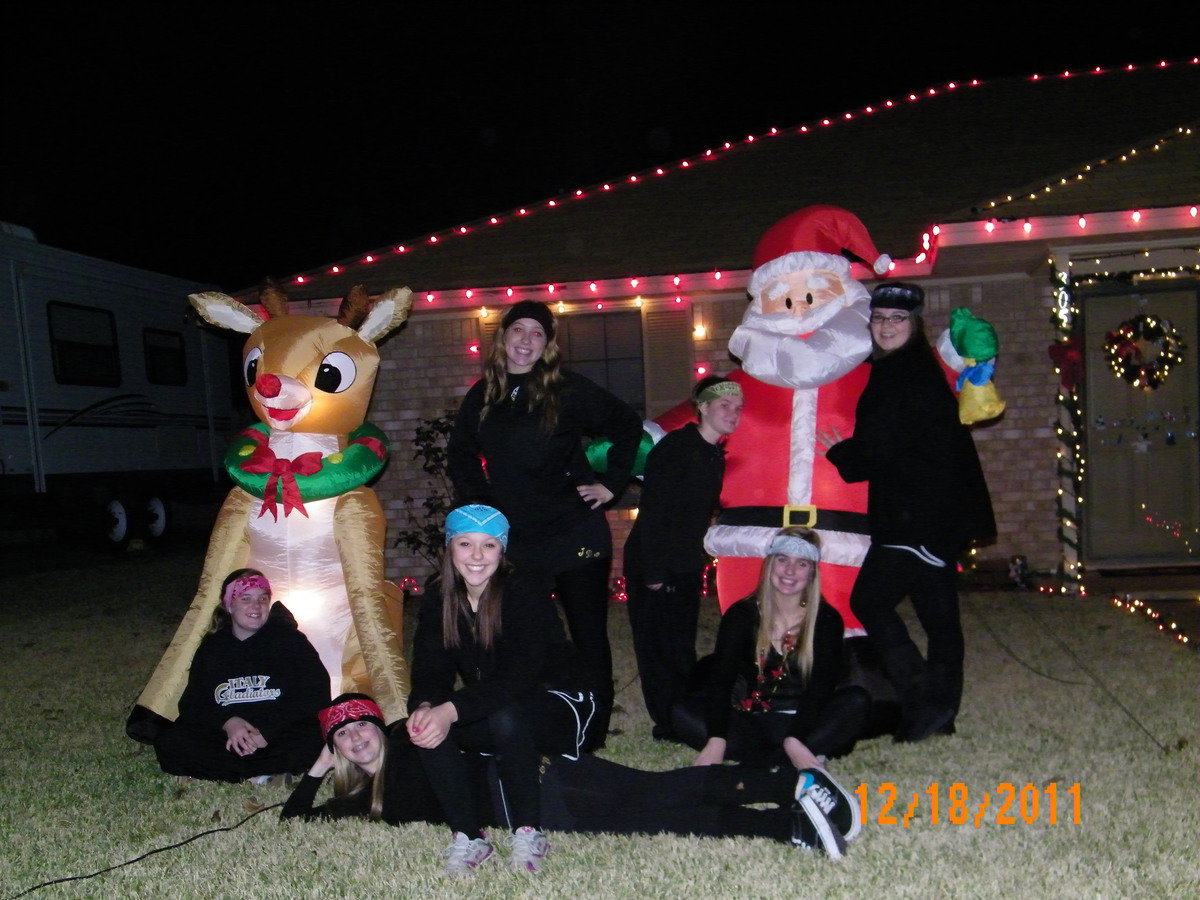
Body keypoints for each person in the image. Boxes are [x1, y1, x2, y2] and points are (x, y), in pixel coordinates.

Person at [283, 693, 857, 862]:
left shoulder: (417, 736)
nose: (356, 738)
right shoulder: (362, 799)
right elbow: (293, 821)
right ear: (337, 750)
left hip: (537, 783)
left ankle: (793, 786)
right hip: (537, 817)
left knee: (663, 790)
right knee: (662, 822)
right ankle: (790, 830)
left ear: (378, 726)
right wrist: (315, 768)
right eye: (343, 737)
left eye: (361, 726)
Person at [447, 300, 644, 744]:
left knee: (588, 633)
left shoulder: (567, 389)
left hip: (574, 530)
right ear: (504, 337)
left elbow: (627, 424)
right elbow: (460, 454)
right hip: (516, 537)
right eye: (519, 330)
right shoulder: (484, 394)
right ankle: (540, 715)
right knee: (526, 634)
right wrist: (483, 506)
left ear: (548, 343)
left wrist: (612, 484)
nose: (527, 341)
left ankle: (591, 732)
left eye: (538, 334)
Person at [822, 282, 996, 742]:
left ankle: (924, 700)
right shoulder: (909, 369)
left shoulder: (902, 373)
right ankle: (938, 711)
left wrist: (841, 454)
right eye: (879, 318)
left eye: (897, 319)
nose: (886, 326)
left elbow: (882, 446)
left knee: (870, 601)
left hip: (913, 516)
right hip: (933, 514)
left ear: (914, 324)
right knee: (939, 617)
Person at [405, 504, 600, 873]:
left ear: (502, 550)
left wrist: (452, 710)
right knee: (424, 724)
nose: (476, 556)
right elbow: (431, 666)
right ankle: (468, 837)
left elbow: (518, 677)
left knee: (503, 714)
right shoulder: (439, 595)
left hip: (560, 705)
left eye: (489, 545)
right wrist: (427, 705)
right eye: (465, 544)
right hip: (495, 706)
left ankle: (529, 832)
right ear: (450, 548)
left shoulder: (524, 590)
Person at [686, 528, 888, 825]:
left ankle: (775, 758)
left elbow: (821, 688)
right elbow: (721, 679)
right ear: (769, 565)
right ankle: (794, 763)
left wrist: (795, 739)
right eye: (782, 560)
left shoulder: (826, 620)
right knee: (681, 711)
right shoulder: (742, 615)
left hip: (805, 722)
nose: (790, 571)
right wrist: (716, 739)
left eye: (802, 563)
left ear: (812, 573)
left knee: (856, 702)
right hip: (753, 721)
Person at [624, 375, 743, 741]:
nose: (733, 414)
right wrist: (655, 571)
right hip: (655, 560)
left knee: (680, 645)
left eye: (738, 408)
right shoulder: (676, 448)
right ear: (703, 407)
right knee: (658, 648)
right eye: (724, 405)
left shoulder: (712, 455)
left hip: (686, 563)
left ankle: (684, 716)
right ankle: (667, 722)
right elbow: (656, 511)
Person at [153, 569, 329, 783]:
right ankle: (260, 774)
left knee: (317, 735)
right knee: (171, 740)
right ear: (229, 605)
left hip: (275, 735)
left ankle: (218, 772)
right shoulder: (213, 648)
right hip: (227, 738)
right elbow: (193, 703)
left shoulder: (291, 642)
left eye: (263, 599)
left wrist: (267, 731)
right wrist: (228, 722)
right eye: (246, 599)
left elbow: (315, 695)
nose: (256, 606)